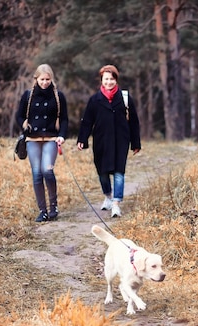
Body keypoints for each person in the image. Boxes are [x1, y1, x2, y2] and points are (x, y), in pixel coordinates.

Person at [77, 64, 141, 218]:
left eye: (112, 79)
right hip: (101, 140)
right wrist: (82, 139)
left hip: (121, 140)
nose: (109, 82)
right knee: (102, 172)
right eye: (106, 79)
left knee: (119, 172)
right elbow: (87, 121)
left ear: (116, 80)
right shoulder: (95, 100)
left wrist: (136, 142)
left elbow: (134, 122)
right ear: (101, 80)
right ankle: (108, 195)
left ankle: (116, 204)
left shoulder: (125, 98)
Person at [15, 64, 68, 222]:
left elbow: (64, 119)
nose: (45, 82)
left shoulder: (58, 96)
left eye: (47, 79)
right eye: (42, 79)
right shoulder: (28, 96)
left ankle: (53, 207)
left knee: (47, 170)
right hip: (33, 139)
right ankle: (42, 210)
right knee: (37, 173)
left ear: (51, 79)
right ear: (36, 79)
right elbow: (19, 115)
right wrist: (25, 125)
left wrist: (62, 135)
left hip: (51, 138)